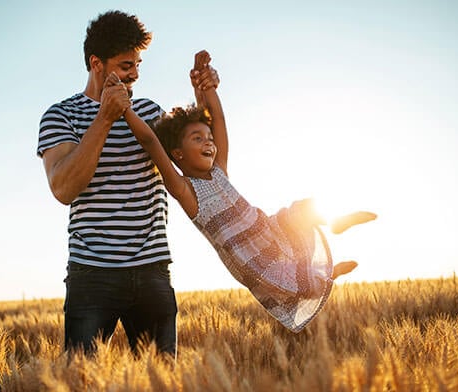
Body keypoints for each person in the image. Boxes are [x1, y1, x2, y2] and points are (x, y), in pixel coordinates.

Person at [121, 50, 377, 333]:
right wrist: (124, 109)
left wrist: (206, 87)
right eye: (198, 139)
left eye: (208, 138)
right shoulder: (185, 190)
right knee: (288, 279)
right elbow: (150, 141)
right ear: (178, 154)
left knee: (301, 210)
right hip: (250, 259)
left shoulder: (219, 169)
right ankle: (327, 276)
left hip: (266, 227)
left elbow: (216, 118)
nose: (209, 142)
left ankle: (334, 221)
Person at [36, 11, 217, 356]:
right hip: (91, 273)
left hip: (152, 270)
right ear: (96, 64)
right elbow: (63, 188)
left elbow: (200, 157)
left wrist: (205, 94)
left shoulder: (150, 112)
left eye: (137, 65)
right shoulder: (61, 115)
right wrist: (105, 118)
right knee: (79, 380)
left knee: (163, 380)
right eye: (124, 66)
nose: (134, 75)